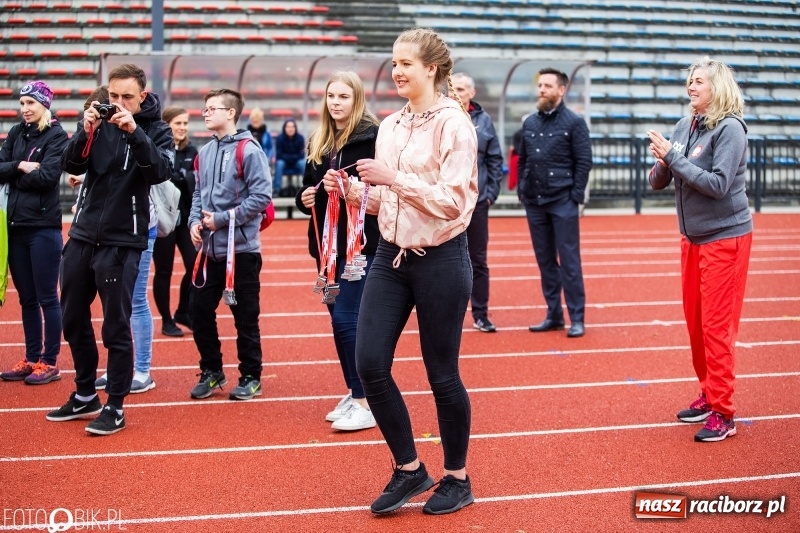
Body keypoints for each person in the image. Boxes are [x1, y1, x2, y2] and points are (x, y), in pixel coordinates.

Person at [323, 28, 477, 516]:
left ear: (431, 68)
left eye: (406, 63)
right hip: (390, 257)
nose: (397, 71)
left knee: (441, 374)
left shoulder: (455, 125)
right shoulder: (390, 126)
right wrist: (348, 193)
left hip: (442, 260)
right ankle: (409, 468)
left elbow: (453, 203)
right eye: (393, 63)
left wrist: (394, 178)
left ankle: (458, 477)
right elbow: (384, 200)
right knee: (370, 363)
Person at [47, 64, 173, 435]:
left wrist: (134, 132)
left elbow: (160, 171)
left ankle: (115, 405)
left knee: (116, 325)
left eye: (126, 98)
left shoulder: (155, 129)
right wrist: (85, 131)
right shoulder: (96, 121)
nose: (117, 104)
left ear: (142, 97)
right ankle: (85, 393)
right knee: (70, 317)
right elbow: (70, 163)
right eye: (112, 96)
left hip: (123, 239)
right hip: (84, 233)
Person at [648, 57, 752, 443]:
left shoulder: (730, 130)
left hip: (724, 238)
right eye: (690, 81)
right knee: (695, 324)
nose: (691, 87)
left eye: (699, 82)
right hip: (692, 239)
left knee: (716, 327)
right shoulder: (684, 125)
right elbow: (661, 181)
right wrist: (662, 163)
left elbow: (718, 184)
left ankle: (724, 412)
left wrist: (674, 159)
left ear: (718, 88)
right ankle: (709, 392)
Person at [294, 71, 380, 431]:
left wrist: (347, 187)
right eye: (331, 96)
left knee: (348, 319)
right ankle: (354, 390)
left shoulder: (374, 139)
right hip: (326, 248)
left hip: (360, 245)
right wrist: (307, 197)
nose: (336, 103)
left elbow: (379, 190)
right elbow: (306, 191)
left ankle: (366, 400)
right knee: (337, 320)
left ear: (357, 99)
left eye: (344, 96)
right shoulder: (319, 140)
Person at [188, 89, 271, 401]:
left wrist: (220, 219)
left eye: (212, 108)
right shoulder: (204, 151)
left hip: (242, 252)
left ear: (231, 113)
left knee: (244, 316)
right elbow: (197, 194)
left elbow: (262, 198)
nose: (206, 113)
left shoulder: (250, 151)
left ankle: (251, 375)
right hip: (208, 251)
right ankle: (212, 370)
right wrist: (194, 222)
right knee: (197, 311)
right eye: (205, 108)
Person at [0, 81, 68, 385]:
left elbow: (48, 178)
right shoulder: (16, 133)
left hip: (43, 229)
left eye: (31, 103)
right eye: (22, 103)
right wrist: (22, 166)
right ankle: (30, 358)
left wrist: (14, 173)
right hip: (15, 228)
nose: (25, 109)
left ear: (45, 104)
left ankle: (49, 361)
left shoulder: (57, 135)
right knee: (26, 299)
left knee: (47, 298)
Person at [518, 67, 592, 339]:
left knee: (570, 262)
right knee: (545, 261)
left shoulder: (575, 122)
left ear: (561, 90)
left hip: (563, 201)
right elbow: (523, 158)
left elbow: (584, 161)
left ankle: (577, 318)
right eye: (540, 86)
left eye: (548, 86)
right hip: (535, 202)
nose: (542, 90)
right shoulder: (530, 123)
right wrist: (523, 191)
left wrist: (575, 196)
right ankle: (554, 314)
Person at [450, 72, 504, 333]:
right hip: (445, 202)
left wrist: (491, 192)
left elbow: (495, 159)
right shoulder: (439, 117)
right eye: (453, 88)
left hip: (477, 202)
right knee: (444, 259)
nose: (455, 93)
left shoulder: (484, 121)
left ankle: (480, 314)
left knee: (478, 259)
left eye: (461, 89)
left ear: (471, 93)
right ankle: (446, 314)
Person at [152, 106, 198, 337]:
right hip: (163, 219)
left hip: (185, 218)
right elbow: (161, 176)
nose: (182, 127)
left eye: (185, 123)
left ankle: (182, 311)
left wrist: (181, 177)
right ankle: (166, 320)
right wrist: (184, 176)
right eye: (177, 123)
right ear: (167, 124)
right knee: (164, 271)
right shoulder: (158, 147)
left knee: (195, 265)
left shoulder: (192, 150)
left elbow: (193, 180)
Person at [273, 118, 306, 197]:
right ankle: (276, 190)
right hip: (285, 162)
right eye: (288, 127)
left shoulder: (300, 138)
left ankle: (307, 187)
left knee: (303, 163)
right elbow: (279, 155)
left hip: (296, 161)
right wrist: (291, 158)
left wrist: (290, 158)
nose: (290, 129)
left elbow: (302, 155)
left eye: (292, 127)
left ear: (295, 128)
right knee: (279, 163)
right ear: (285, 128)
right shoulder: (280, 138)